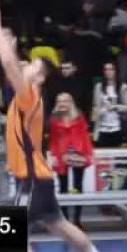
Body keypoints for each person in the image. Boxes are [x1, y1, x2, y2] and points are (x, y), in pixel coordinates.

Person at [0, 1, 117, 252]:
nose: (25, 66)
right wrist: (11, 46)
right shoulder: (29, 96)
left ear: (40, 76)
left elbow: (8, 64)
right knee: (59, 225)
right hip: (39, 176)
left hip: (32, 178)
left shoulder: (30, 93)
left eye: (32, 65)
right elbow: (11, 65)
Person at [50, 92, 94, 226]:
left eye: (65, 101)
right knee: (63, 187)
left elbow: (85, 135)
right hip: (61, 154)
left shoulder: (79, 116)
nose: (62, 104)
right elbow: (53, 139)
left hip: (78, 153)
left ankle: (77, 220)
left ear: (70, 103)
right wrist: (53, 155)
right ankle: (65, 220)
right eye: (59, 101)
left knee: (77, 186)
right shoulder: (54, 118)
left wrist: (89, 153)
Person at [92, 62, 127, 147]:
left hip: (118, 128)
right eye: (106, 69)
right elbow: (95, 106)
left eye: (111, 69)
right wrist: (96, 112)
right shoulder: (98, 87)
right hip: (102, 129)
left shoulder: (123, 87)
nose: (108, 72)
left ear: (115, 71)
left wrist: (114, 107)